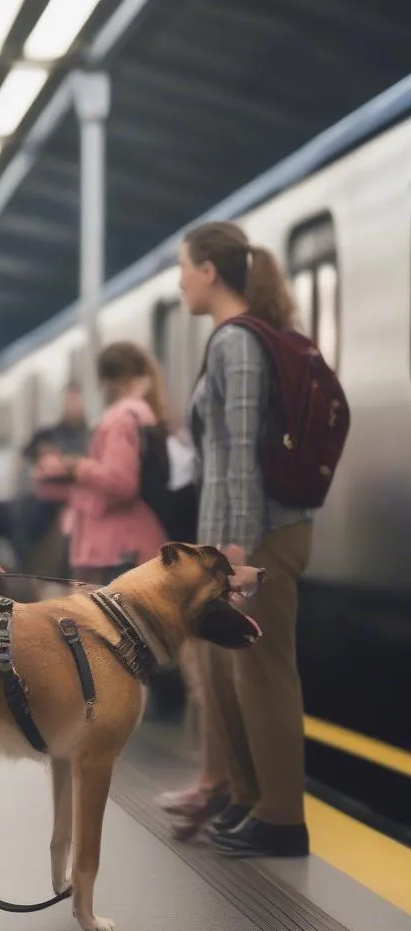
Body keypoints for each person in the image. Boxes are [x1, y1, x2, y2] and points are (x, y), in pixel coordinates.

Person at [176, 220, 313, 858]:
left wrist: (231, 552)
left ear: (208, 271)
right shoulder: (236, 339)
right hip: (243, 534)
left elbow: (242, 454)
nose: (181, 281)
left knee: (263, 673)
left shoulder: (235, 342)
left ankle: (283, 817)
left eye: (184, 268)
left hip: (257, 538)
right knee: (233, 672)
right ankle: (249, 799)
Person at [33, 342, 168, 585]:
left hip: (117, 549)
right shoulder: (140, 415)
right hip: (119, 544)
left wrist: (77, 467)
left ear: (106, 380)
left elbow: (121, 483)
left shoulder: (119, 419)